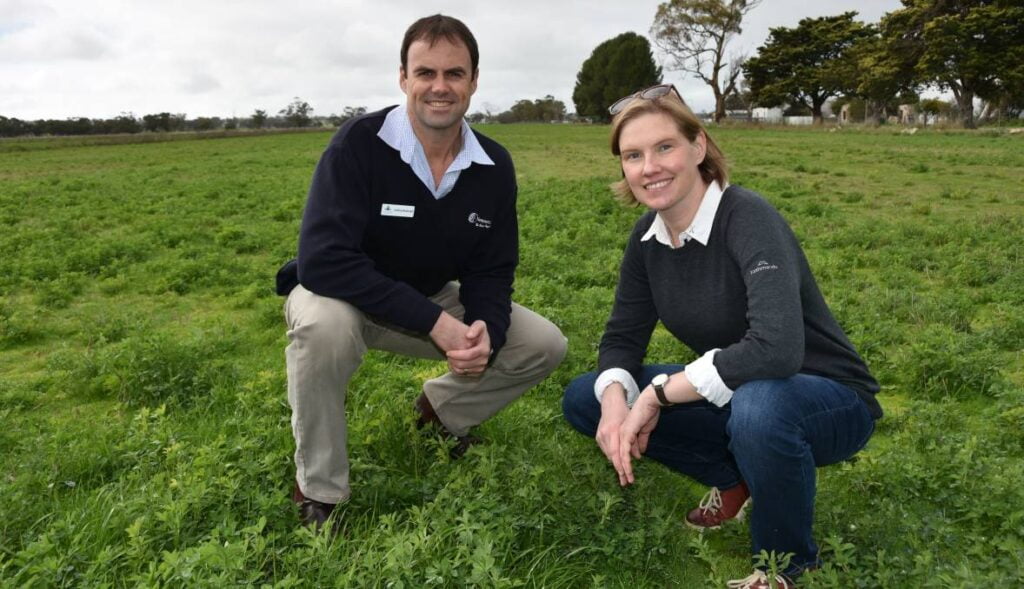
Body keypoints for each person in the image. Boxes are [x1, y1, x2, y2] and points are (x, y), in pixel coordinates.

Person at [561, 85, 882, 589]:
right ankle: (734, 480)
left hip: (828, 397)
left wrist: (659, 394)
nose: (650, 167)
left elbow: (777, 348)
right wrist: (618, 401)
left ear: (699, 146)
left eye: (664, 147)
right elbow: (623, 335)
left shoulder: (747, 217)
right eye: (633, 155)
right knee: (589, 395)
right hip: (741, 388)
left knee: (759, 405)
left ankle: (786, 565)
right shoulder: (647, 239)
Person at [276, 14, 567, 534]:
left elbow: (492, 269)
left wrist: (485, 332)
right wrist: (435, 322)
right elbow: (323, 259)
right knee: (323, 328)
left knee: (543, 343)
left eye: (454, 74)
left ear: (473, 81)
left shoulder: (493, 166)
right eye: (425, 72)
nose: (440, 87)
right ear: (403, 78)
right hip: (337, 295)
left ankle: (440, 413)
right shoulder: (359, 144)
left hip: (427, 298)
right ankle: (319, 488)